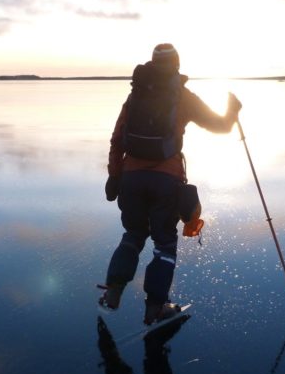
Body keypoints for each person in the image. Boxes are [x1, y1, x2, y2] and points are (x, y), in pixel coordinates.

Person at [100, 43, 242, 325]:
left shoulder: (134, 96)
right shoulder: (183, 97)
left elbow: (117, 139)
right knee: (164, 245)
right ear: (176, 65)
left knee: (133, 235)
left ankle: (113, 293)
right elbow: (221, 126)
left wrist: (115, 177)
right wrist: (233, 110)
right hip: (166, 182)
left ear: (151, 63)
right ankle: (155, 308)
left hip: (131, 180)